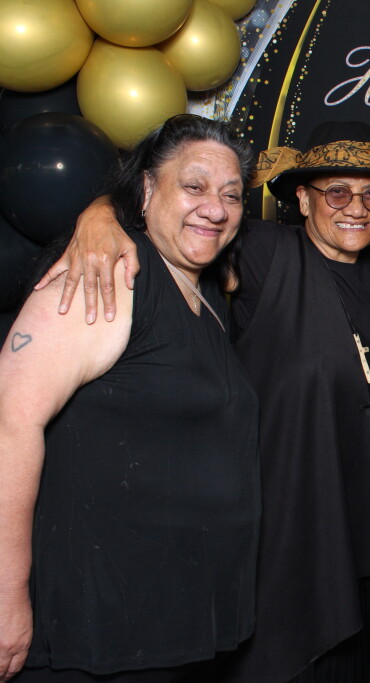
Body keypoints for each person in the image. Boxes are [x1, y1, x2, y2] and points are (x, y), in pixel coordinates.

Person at [35, 121, 370, 682]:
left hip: (360, 536)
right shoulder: (264, 252)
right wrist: (98, 216)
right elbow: (174, 216)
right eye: (337, 192)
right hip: (283, 537)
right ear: (302, 198)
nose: (356, 208)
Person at [0, 114, 259, 682]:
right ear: (146, 189)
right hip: (97, 633)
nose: (215, 209)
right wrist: (5, 595)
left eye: (231, 195)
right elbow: (9, 424)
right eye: (193, 186)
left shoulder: (205, 293)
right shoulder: (108, 275)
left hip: (171, 627)